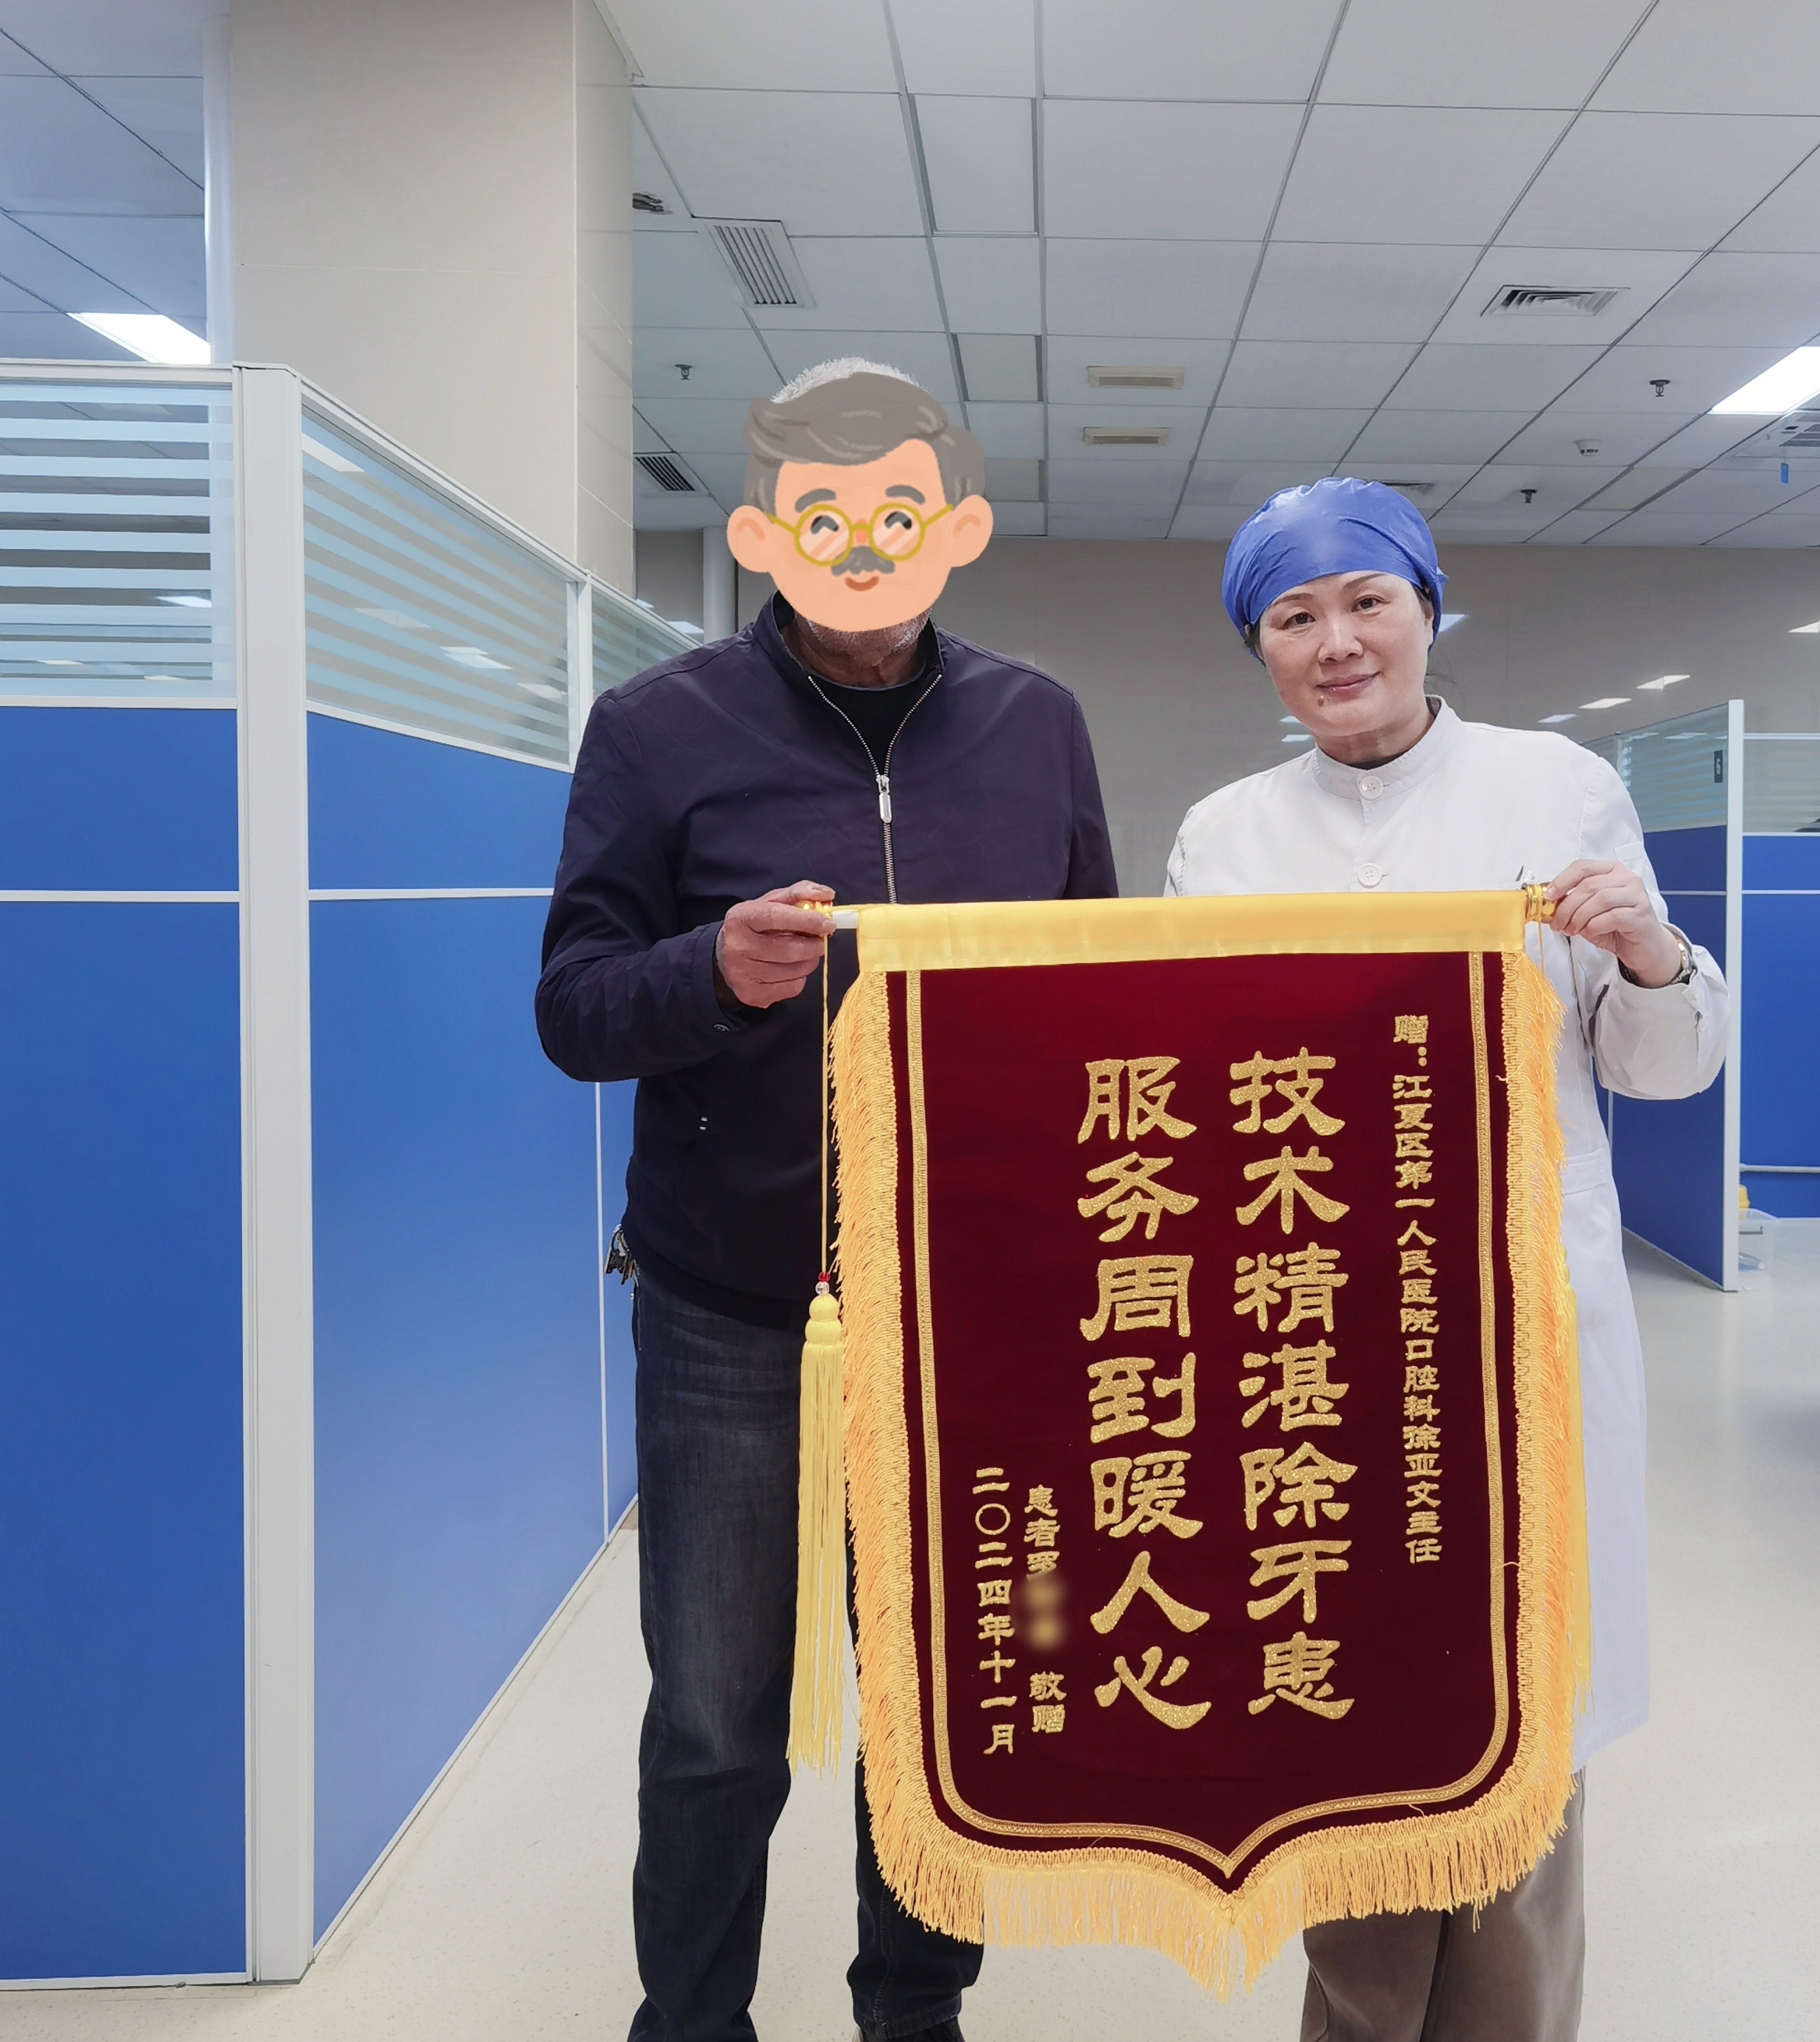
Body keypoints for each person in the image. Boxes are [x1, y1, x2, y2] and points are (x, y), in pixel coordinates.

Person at [536, 359, 1116, 2042]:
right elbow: (572, 1009)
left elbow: (1095, 999)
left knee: (941, 1709)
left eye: (899, 514)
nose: (865, 550)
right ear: (767, 532)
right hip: (734, 1310)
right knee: (717, 1716)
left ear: (957, 526)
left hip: (969, 1312)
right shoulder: (657, 728)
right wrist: (711, 973)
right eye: (828, 518)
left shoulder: (1039, 724)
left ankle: (914, 2013)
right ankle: (691, 2021)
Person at [1164, 477, 1729, 2042]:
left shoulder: (1557, 787)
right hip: (1313, 1342)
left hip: (1521, 1329)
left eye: (1368, 602)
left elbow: (1663, 1066)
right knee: (1348, 1714)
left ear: (1426, 610)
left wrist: (1648, 952)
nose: (1337, 642)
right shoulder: (1226, 835)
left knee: (1525, 1722)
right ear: (1262, 649)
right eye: (1294, 617)